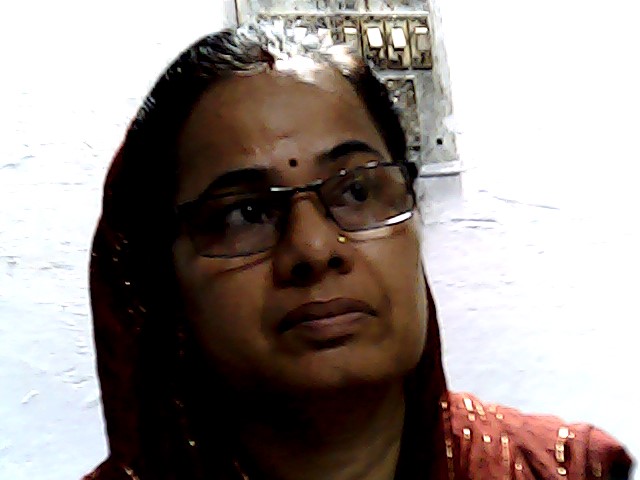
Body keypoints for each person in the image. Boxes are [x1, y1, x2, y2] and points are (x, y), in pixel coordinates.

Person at [83, 24, 633, 480]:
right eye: (245, 213)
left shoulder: (562, 471)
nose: (314, 248)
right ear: (155, 276)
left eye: (358, 191)